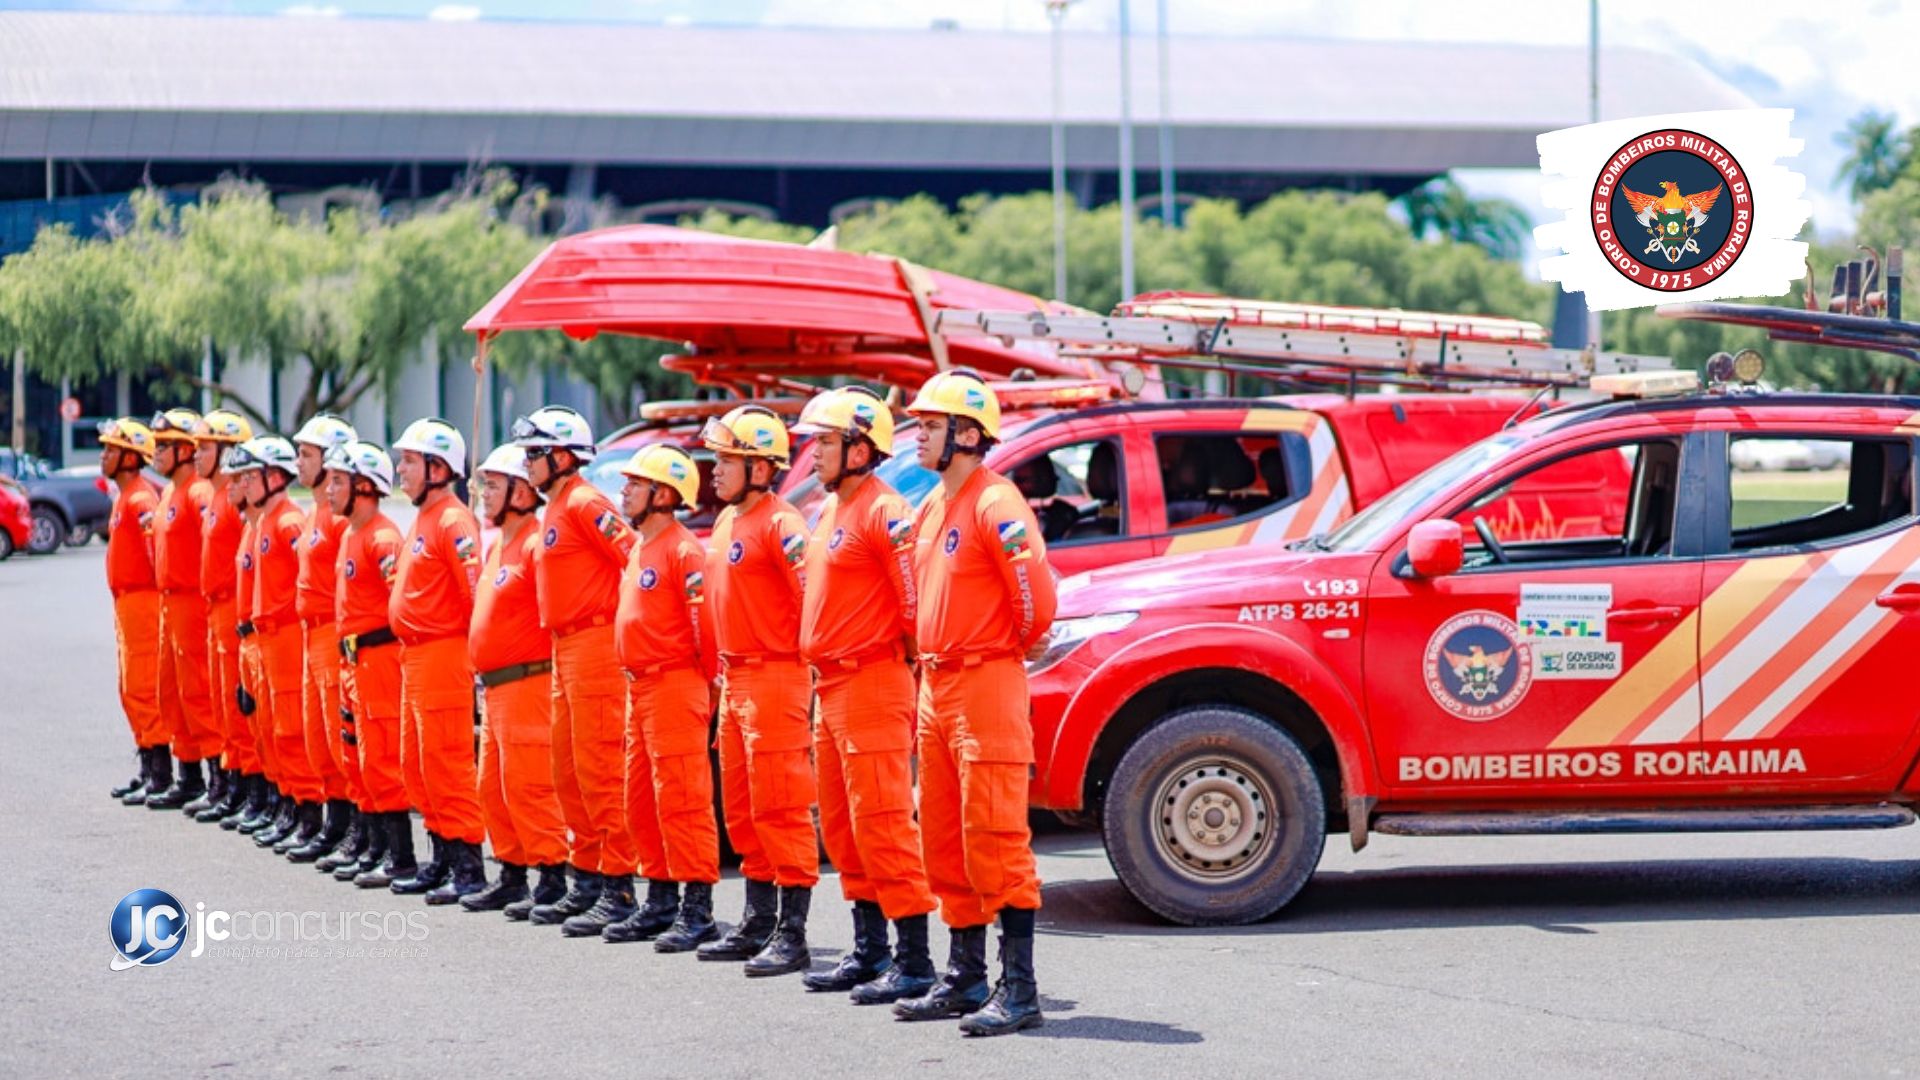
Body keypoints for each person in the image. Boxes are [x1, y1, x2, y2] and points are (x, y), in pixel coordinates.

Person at [895, 371, 1057, 1036]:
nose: (918, 435)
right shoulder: (935, 504)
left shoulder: (997, 503)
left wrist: (996, 651)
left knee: (994, 835)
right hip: (936, 685)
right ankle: (964, 978)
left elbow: (1036, 605)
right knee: (942, 835)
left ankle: (1019, 990)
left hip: (985, 681)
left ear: (966, 434)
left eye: (930, 426)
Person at [791, 388, 941, 1003]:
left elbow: (912, 604)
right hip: (832, 685)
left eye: (825, 442)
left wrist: (895, 660)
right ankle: (870, 949)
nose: (814, 452)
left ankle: (913, 960)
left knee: (881, 822)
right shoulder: (833, 509)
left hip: (872, 680)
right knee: (846, 828)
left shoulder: (886, 511)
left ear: (859, 448)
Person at [697, 405, 819, 977]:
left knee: (781, 806)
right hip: (736, 678)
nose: (714, 470)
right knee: (743, 809)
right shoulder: (726, 523)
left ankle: (791, 932)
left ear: (761, 468)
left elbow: (811, 602)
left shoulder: (782, 524)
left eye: (727, 460)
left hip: (775, 676)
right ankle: (757, 919)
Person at [510, 406, 639, 935]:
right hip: (566, 650)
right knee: (568, 772)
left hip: (595, 648)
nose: (526, 462)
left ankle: (619, 885)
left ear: (561, 456)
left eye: (534, 453)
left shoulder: (585, 502)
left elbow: (634, 557)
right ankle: (586, 877)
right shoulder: (558, 507)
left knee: (601, 769)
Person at [606, 445, 720, 947]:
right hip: (640, 687)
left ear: (664, 494)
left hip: (675, 682)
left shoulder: (682, 549)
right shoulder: (639, 547)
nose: (624, 492)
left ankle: (696, 908)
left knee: (682, 799)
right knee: (641, 801)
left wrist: (702, 685)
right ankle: (659, 899)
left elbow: (705, 629)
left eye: (635, 484)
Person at [462, 444, 571, 917]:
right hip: (497, 687)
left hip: (529, 683)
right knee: (493, 786)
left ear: (522, 491)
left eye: (493, 484)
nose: (485, 493)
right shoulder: (499, 543)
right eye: (483, 484)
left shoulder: (534, 542)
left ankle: (550, 872)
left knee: (528, 784)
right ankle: (512, 870)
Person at [387, 418, 488, 903]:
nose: (400, 469)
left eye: (409, 461)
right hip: (415, 658)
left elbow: (474, 592)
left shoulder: (452, 519)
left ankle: (467, 864)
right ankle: (442, 854)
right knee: (418, 764)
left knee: (447, 761)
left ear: (437, 467)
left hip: (443, 653)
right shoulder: (425, 517)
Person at [322, 442, 416, 888]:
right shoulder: (348, 535)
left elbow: (398, 599)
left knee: (382, 755)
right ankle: (374, 844)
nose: (328, 490)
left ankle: (400, 855)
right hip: (353, 659)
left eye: (338, 481)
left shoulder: (382, 538)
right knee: (358, 754)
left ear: (363, 486)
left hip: (379, 657)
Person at [230, 436, 329, 855]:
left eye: (250, 476)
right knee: (269, 726)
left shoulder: (288, 523)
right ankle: (287, 804)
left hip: (286, 635)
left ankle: (307, 812)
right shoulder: (261, 524)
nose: (244, 484)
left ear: (273, 477)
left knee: (290, 727)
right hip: (264, 637)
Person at [289, 414, 362, 866]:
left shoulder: (339, 520)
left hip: (333, 636)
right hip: (309, 634)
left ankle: (356, 828)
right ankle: (334, 823)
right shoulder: (318, 512)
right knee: (318, 740)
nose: (299, 462)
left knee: (343, 739)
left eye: (307, 454)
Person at [145, 408, 222, 810]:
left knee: (198, 690)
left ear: (184, 449)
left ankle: (217, 778)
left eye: (163, 446)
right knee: (170, 692)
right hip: (169, 602)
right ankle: (187, 772)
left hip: (193, 601)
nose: (155, 453)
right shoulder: (170, 493)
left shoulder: (198, 492)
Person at [187, 410, 256, 824]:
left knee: (237, 703)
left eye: (206, 448)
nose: (197, 456)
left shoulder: (234, 499)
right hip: (214, 606)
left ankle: (246, 788)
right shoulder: (216, 495)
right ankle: (227, 784)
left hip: (233, 607)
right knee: (219, 702)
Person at [100, 418, 168, 805]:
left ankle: (159, 771)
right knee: (130, 687)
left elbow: (154, 554)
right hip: (127, 602)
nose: (103, 456)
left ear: (130, 457)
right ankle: (147, 766)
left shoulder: (140, 498)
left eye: (111, 449)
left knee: (144, 687)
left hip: (143, 601)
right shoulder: (125, 496)